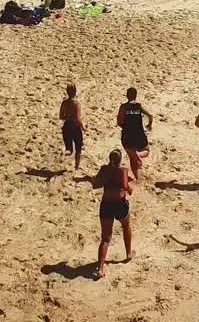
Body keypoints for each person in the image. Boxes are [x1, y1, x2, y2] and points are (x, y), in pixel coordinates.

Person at [90, 150, 132, 280]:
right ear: (120, 160)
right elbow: (125, 186)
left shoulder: (104, 169)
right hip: (119, 204)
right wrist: (130, 188)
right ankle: (129, 253)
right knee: (126, 226)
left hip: (107, 204)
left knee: (105, 238)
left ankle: (101, 268)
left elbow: (96, 185)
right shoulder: (123, 171)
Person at [116, 87, 153, 180]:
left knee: (132, 157)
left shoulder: (123, 107)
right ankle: (139, 155)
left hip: (127, 135)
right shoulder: (138, 106)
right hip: (139, 134)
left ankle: (137, 177)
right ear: (136, 96)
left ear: (127, 96)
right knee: (146, 150)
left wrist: (126, 128)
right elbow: (150, 116)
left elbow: (119, 122)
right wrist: (149, 125)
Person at [59, 84, 86, 170]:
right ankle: (77, 167)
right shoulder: (76, 104)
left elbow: (61, 116)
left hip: (66, 127)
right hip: (75, 127)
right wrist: (83, 127)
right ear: (75, 92)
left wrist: (68, 117)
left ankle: (65, 153)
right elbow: (78, 119)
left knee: (69, 149)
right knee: (78, 149)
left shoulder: (64, 103)